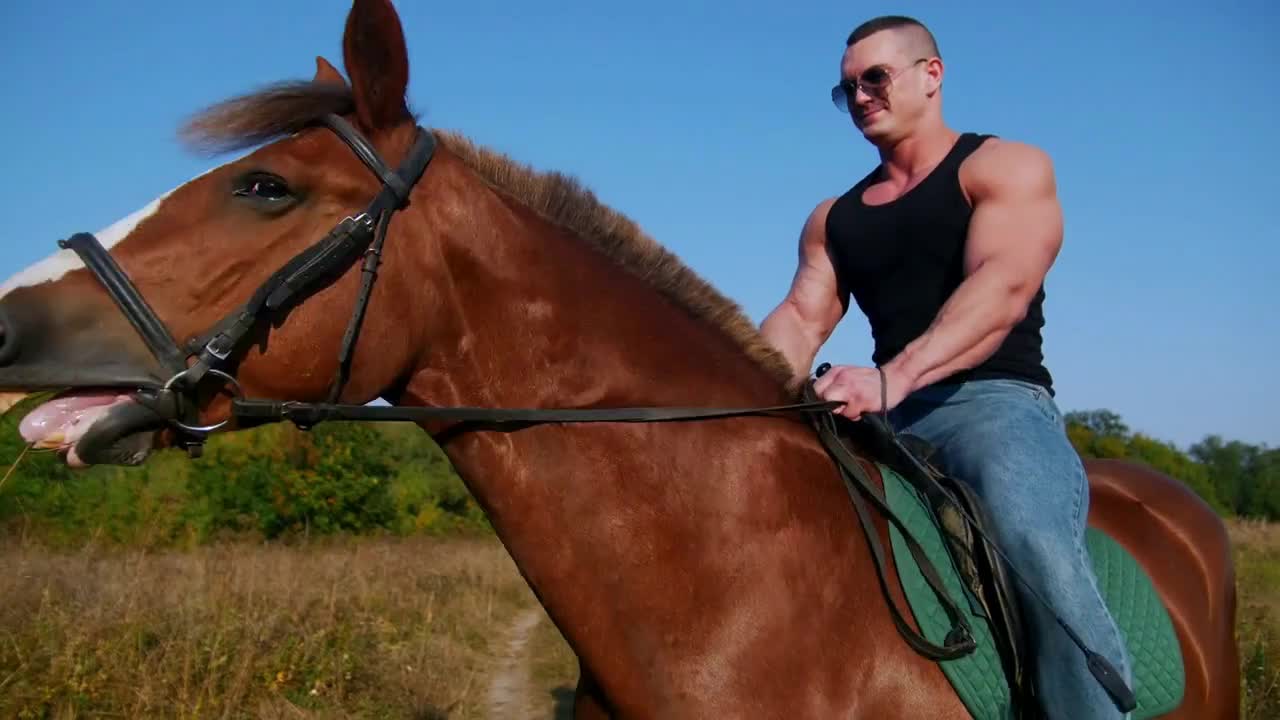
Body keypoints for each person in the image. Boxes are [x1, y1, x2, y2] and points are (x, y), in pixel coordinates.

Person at [758, 15, 1133, 720]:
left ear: (932, 74)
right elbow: (802, 318)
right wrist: (741, 384)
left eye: (876, 78)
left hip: (992, 406)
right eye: (847, 90)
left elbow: (1002, 286)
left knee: (1030, 536)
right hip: (878, 416)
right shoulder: (832, 218)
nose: (862, 96)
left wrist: (894, 376)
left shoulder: (1003, 167)